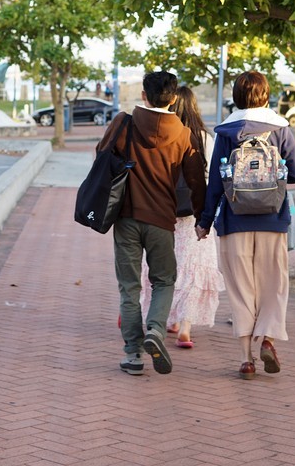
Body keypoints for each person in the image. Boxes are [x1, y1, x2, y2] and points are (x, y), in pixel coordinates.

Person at [96, 71, 207, 376]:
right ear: (173, 98)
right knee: (164, 280)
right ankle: (155, 330)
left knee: (130, 287)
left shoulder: (123, 124)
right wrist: (202, 217)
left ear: (144, 95)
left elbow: (101, 156)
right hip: (162, 219)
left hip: (127, 217)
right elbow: (197, 180)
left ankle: (133, 354)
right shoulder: (184, 134)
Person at [196, 71, 295, 379]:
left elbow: (216, 183)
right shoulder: (280, 128)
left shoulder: (226, 131)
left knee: (241, 289)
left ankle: (246, 358)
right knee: (274, 283)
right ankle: (267, 338)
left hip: (234, 219)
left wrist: (204, 222)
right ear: (265, 94)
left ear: (237, 96)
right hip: (273, 219)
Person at [139, 86, 225, 348]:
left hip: (163, 210)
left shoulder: (166, 133)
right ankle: (185, 327)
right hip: (194, 214)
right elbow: (213, 179)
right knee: (193, 267)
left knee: (164, 266)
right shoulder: (204, 137)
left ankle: (168, 319)